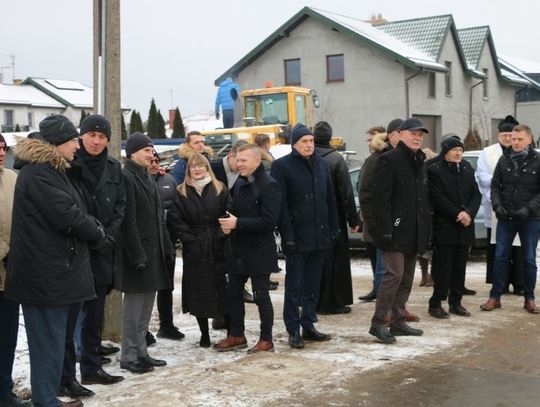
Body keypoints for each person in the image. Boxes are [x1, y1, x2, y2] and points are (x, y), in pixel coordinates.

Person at [5, 115, 106, 407]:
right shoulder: (39, 174)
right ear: (57, 143)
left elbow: (74, 208)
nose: (78, 145)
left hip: (52, 273)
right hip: (44, 277)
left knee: (51, 342)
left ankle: (48, 399)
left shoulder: (51, 170)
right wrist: (97, 231)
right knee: (47, 344)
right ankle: (46, 402)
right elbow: (68, 215)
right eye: (73, 140)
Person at [60, 115, 126, 397]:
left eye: (102, 137)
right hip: (76, 249)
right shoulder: (69, 165)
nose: (96, 141)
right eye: (91, 136)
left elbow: (121, 205)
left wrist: (107, 237)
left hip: (101, 250)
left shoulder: (113, 167)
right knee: (71, 317)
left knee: (95, 315)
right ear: (81, 137)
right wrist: (92, 235)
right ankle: (66, 376)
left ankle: (91, 366)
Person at [271, 124, 339, 349]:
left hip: (319, 236)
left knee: (312, 285)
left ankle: (308, 324)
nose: (309, 145)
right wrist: (287, 235)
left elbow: (330, 199)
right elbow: (280, 206)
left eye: (311, 141)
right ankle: (292, 328)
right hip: (297, 237)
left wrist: (333, 228)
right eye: (304, 142)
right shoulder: (282, 166)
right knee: (295, 286)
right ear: (294, 144)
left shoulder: (321, 163)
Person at [114, 132, 174, 374]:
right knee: (133, 309)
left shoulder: (146, 175)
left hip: (153, 252)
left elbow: (158, 218)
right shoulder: (127, 176)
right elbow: (128, 222)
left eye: (152, 150)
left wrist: (166, 246)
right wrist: (137, 254)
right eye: (147, 151)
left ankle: (141, 351)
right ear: (133, 152)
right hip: (136, 255)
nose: (152, 155)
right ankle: (128, 356)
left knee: (146, 308)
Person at [368, 117, 430, 344]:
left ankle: (397, 320)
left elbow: (423, 200)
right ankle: (379, 323)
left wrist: (425, 229)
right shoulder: (389, 160)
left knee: (406, 277)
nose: (417, 137)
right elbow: (380, 200)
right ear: (400, 134)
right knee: (393, 276)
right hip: (393, 231)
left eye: (420, 135)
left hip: (413, 231)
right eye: (413, 133)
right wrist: (385, 229)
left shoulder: (420, 161)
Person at [215, 144, 282, 353]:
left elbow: (269, 221)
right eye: (237, 160)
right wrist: (227, 223)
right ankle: (236, 334)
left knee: (261, 295)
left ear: (256, 161)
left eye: (243, 160)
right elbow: (233, 209)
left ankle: (266, 339)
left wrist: (238, 223)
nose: (239, 163)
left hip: (260, 250)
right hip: (239, 248)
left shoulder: (269, 185)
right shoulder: (240, 182)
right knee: (233, 292)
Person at [168, 153, 232, 348]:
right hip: (194, 249)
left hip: (218, 246)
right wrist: (192, 239)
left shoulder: (219, 188)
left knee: (223, 290)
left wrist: (220, 235)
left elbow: (228, 212)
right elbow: (176, 219)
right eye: (193, 166)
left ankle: (230, 330)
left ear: (207, 168)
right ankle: (204, 333)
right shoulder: (181, 191)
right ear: (188, 170)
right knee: (198, 292)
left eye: (201, 165)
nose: (197, 169)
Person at [481, 124, 540, 314]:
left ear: (529, 140)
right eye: (513, 138)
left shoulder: (538, 160)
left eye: (519, 139)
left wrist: (528, 209)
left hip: (530, 219)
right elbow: (495, 185)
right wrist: (497, 206)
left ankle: (529, 299)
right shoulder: (503, 159)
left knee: (529, 259)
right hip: (506, 218)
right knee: (500, 257)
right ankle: (495, 297)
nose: (515, 142)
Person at [427, 136, 481, 319]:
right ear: (446, 151)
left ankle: (456, 302)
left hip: (465, 227)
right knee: (443, 268)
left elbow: (476, 194)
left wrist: (469, 213)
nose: (458, 153)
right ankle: (436, 303)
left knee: (460, 267)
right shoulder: (435, 170)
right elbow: (437, 197)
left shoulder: (466, 168)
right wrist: (458, 214)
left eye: (461, 150)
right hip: (445, 226)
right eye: (454, 150)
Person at [313, 121, 360, 315]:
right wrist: (353, 219)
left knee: (315, 261)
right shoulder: (335, 159)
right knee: (335, 261)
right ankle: (332, 302)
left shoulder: (308, 156)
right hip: (334, 216)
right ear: (330, 138)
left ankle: (313, 300)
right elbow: (346, 193)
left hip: (311, 216)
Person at [476, 115, 524, 295]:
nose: (507, 138)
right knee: (499, 247)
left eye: (511, 135)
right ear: (499, 136)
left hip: (520, 207)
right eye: (504, 135)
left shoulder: (524, 152)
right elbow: (483, 177)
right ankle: (500, 283)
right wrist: (500, 196)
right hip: (497, 207)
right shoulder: (487, 153)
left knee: (519, 247)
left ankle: (520, 283)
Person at [358, 120, 400, 302]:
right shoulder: (375, 159)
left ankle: (388, 299)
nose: (368, 143)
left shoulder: (393, 157)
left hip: (392, 222)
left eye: (371, 140)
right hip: (378, 222)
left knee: (390, 266)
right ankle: (382, 298)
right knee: (381, 263)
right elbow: (365, 191)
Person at [0, 134, 28, 407]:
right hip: (6, 260)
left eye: (2, 148)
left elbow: (24, 217)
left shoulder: (13, 178)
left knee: (7, 338)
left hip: (11, 276)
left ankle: (4, 390)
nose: (0, 153)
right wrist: (6, 251)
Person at [148, 152, 185, 341]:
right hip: (147, 243)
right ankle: (143, 330)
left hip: (167, 242)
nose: (154, 164)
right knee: (145, 288)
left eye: (156, 161)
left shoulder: (169, 180)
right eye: (150, 161)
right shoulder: (135, 180)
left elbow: (177, 209)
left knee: (166, 286)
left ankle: (166, 325)